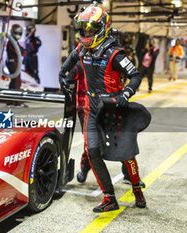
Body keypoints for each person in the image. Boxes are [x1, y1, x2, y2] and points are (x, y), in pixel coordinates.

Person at [59, 5, 146, 212]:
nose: (87, 33)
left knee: (126, 154)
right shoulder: (80, 49)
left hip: (114, 110)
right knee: (93, 152)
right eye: (84, 29)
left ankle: (137, 191)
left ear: (102, 28)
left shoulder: (115, 53)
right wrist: (63, 79)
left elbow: (135, 75)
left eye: (91, 29)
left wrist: (126, 93)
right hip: (90, 110)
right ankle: (109, 198)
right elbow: (64, 69)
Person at [6, 24, 26, 107]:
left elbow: (23, 52)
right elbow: (20, 52)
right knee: (17, 82)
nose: (18, 35)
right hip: (13, 63)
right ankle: (18, 103)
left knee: (13, 82)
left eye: (19, 33)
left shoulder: (14, 42)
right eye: (16, 32)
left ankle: (10, 102)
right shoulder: (11, 42)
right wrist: (22, 50)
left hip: (15, 62)